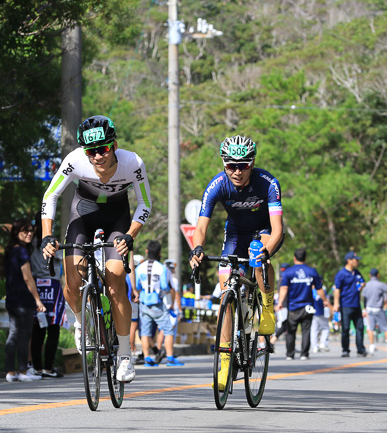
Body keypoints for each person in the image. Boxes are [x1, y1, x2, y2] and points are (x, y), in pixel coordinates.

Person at [41, 115, 152, 384]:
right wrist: (46, 236)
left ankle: (125, 356)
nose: (97, 157)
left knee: (115, 279)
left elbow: (145, 203)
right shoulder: (75, 160)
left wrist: (130, 234)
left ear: (114, 145)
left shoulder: (132, 163)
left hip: (118, 218)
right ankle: (80, 322)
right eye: (91, 151)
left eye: (103, 149)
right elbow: (50, 196)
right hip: (83, 213)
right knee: (72, 280)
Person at [189, 134, 284, 390]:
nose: (237, 171)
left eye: (243, 165)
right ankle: (225, 360)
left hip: (263, 231)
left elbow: (277, 230)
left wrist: (266, 252)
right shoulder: (217, 185)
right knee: (225, 292)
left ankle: (266, 307)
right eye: (231, 165)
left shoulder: (268, 183)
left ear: (252, 164)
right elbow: (200, 227)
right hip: (234, 234)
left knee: (257, 253)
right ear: (224, 164)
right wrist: (197, 249)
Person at [4, 219, 45, 383]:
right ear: (16, 233)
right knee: (24, 335)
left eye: (31, 231)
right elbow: (28, 278)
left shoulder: (10, 251)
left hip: (12, 299)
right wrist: (38, 300)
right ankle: (22, 371)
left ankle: (10, 372)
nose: (29, 234)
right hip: (23, 300)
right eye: (25, 231)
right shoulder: (21, 252)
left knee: (13, 334)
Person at [28, 213, 66, 378]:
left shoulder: (30, 243)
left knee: (38, 328)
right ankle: (48, 368)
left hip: (36, 286)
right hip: (53, 286)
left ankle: (37, 367)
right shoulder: (52, 242)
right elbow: (63, 260)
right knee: (53, 328)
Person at [276, 248, 329, 360]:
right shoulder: (312, 272)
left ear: (294, 258)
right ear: (305, 258)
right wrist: (325, 300)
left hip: (293, 307)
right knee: (306, 331)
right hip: (307, 307)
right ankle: (304, 354)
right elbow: (319, 289)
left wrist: (280, 302)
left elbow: (284, 288)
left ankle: (290, 354)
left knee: (291, 331)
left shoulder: (288, 272)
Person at [136, 241, 183, 367]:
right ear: (159, 253)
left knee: (145, 332)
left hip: (144, 302)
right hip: (157, 302)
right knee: (168, 330)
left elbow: (136, 285)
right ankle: (170, 358)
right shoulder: (162, 268)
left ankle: (147, 358)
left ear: (146, 251)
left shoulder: (139, 268)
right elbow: (165, 286)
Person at [333, 251, 367, 357]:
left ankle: (360, 349)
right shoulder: (341, 274)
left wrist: (362, 285)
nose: (357, 262)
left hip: (356, 304)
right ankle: (345, 349)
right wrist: (336, 304)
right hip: (345, 305)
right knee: (346, 328)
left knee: (360, 327)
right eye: (355, 260)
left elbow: (363, 282)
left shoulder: (357, 273)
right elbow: (337, 289)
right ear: (349, 260)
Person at [361, 268, 387, 354]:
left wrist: (364, 309)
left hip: (369, 309)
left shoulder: (366, 285)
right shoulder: (380, 285)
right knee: (385, 327)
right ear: (378, 275)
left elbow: (364, 298)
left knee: (370, 328)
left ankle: (372, 345)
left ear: (370, 275)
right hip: (379, 309)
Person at [311, 285, 331, 353]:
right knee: (326, 328)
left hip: (312, 312)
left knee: (314, 330)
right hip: (321, 311)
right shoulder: (322, 290)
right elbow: (326, 301)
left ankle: (315, 346)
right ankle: (323, 343)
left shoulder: (309, 291)